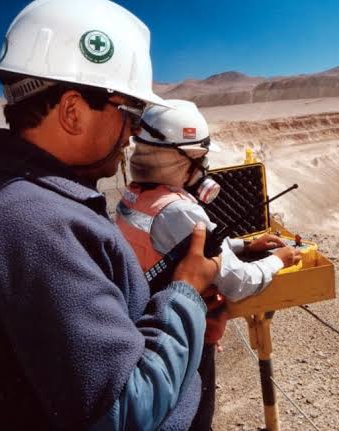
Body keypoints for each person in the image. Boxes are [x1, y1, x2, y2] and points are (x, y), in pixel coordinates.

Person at [0, 0, 217, 430]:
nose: (134, 132)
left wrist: (182, 317)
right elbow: (124, 411)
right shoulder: (35, 226)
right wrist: (186, 294)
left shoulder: (26, 201)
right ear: (71, 112)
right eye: (130, 110)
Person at [115, 99, 302, 430]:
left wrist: (245, 244)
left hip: (150, 320)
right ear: (176, 158)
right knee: (195, 417)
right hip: (185, 337)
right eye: (199, 160)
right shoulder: (178, 210)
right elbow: (237, 282)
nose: (203, 170)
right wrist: (278, 260)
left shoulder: (135, 197)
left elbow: (188, 249)